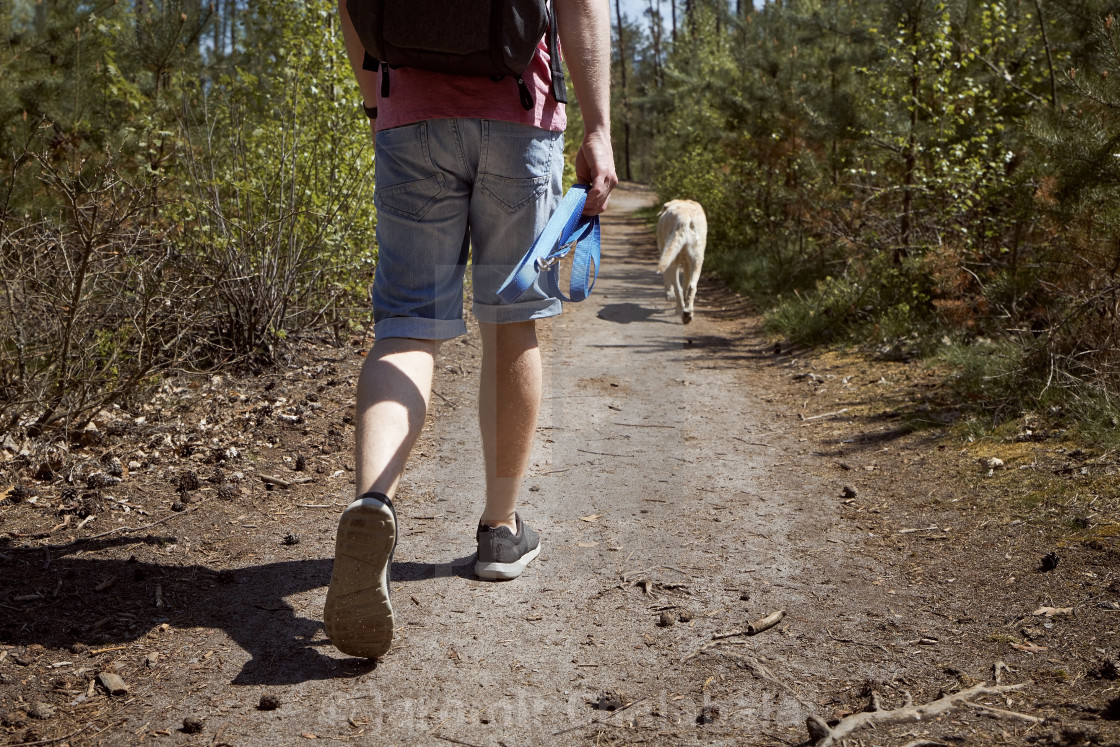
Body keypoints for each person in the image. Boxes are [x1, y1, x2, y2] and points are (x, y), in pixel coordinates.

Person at [324, 0, 618, 658]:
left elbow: (349, 6)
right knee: (514, 323)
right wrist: (597, 125)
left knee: (405, 326)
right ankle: (500, 529)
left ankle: (373, 501)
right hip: (519, 116)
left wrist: (377, 104)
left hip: (411, 119)